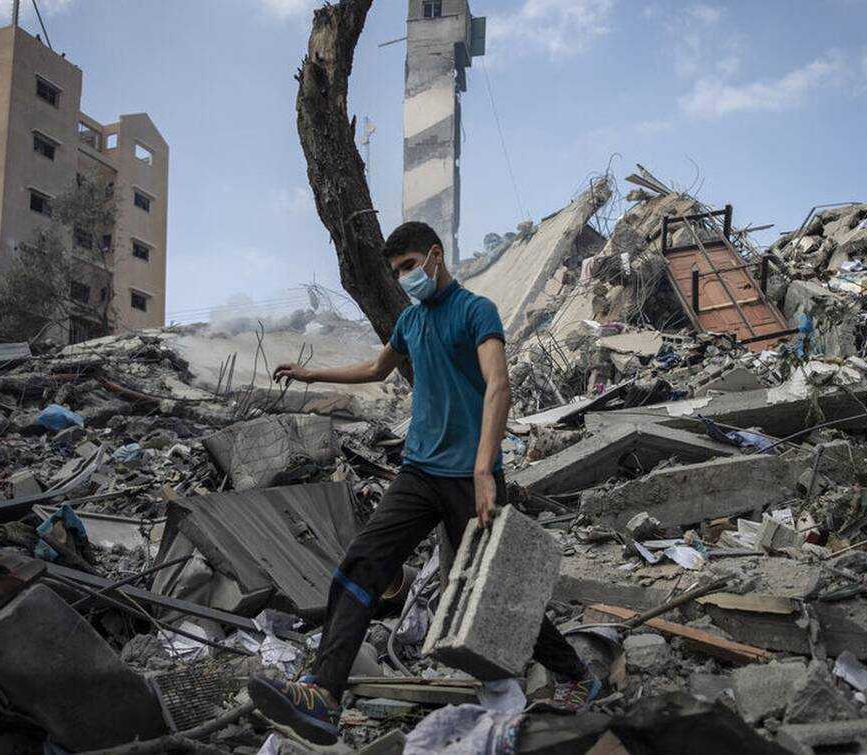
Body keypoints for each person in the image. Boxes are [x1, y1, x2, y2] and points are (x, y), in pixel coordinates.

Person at [246, 222, 602, 748]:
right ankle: (323, 694)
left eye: (409, 266)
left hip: (471, 476)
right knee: (361, 564)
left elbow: (499, 385)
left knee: (494, 590)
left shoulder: (476, 311)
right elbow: (376, 368)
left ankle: (575, 675)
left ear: (435, 256)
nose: (404, 278)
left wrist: (485, 470)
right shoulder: (410, 321)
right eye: (397, 272)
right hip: (418, 472)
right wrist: (310, 374)